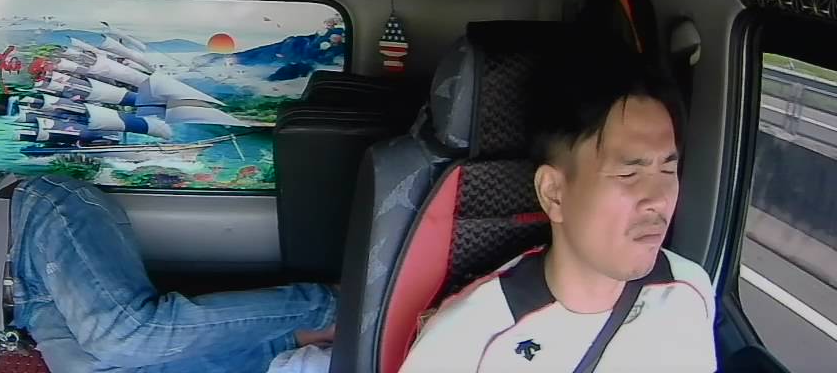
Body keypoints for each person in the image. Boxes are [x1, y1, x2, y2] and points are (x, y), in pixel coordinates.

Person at [268, 33, 716, 372]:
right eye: (629, 172)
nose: (658, 199)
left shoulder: (691, 290)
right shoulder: (469, 338)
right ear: (553, 193)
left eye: (668, 169)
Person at [0, 161, 336, 372]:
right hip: (28, 307)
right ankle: (297, 339)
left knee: (122, 336)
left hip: (36, 222)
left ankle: (341, 304)